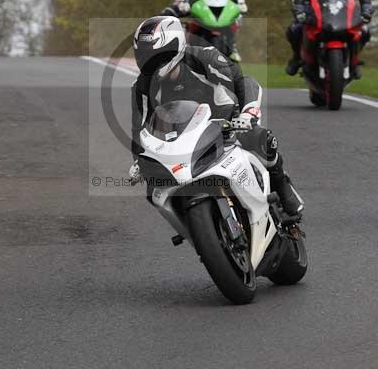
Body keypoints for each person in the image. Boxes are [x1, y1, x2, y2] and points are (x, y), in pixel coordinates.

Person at [127, 15, 304, 218]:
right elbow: (139, 129)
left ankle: (281, 184)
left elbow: (243, 82)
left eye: (157, 56)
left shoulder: (205, 58)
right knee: (154, 189)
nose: (151, 63)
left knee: (261, 138)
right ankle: (195, 226)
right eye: (146, 57)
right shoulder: (141, 86)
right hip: (182, 140)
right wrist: (139, 161)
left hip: (227, 124)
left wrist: (247, 114)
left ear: (176, 46)